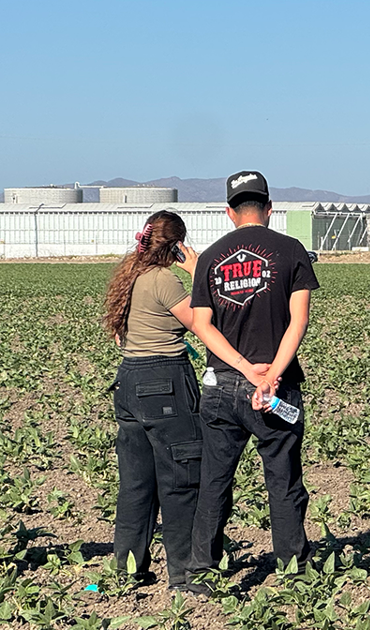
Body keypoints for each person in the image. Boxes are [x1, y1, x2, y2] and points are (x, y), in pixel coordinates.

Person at [186, 171, 320, 592]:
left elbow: (202, 326)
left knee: (215, 480)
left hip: (222, 386)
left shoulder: (209, 258)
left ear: (230, 212)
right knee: (282, 480)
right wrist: (270, 374)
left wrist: (244, 368)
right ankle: (292, 570)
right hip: (275, 387)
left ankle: (201, 571)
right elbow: (299, 320)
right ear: (269, 207)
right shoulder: (291, 250)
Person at [102, 210, 203, 591]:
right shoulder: (163, 281)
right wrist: (198, 274)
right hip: (165, 382)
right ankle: (185, 574)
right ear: (177, 246)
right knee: (180, 479)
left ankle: (129, 570)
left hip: (128, 381)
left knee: (136, 484)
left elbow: (120, 334)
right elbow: (200, 322)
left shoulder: (131, 277)